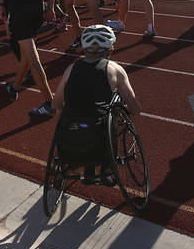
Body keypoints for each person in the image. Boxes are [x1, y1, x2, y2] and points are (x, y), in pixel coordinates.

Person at [52, 24, 141, 183]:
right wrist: (125, 111)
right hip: (100, 143)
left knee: (75, 117)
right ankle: (107, 170)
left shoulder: (71, 69)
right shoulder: (116, 69)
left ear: (84, 48)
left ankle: (76, 168)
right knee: (111, 116)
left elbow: (56, 104)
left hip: (70, 139)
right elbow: (135, 108)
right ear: (110, 50)